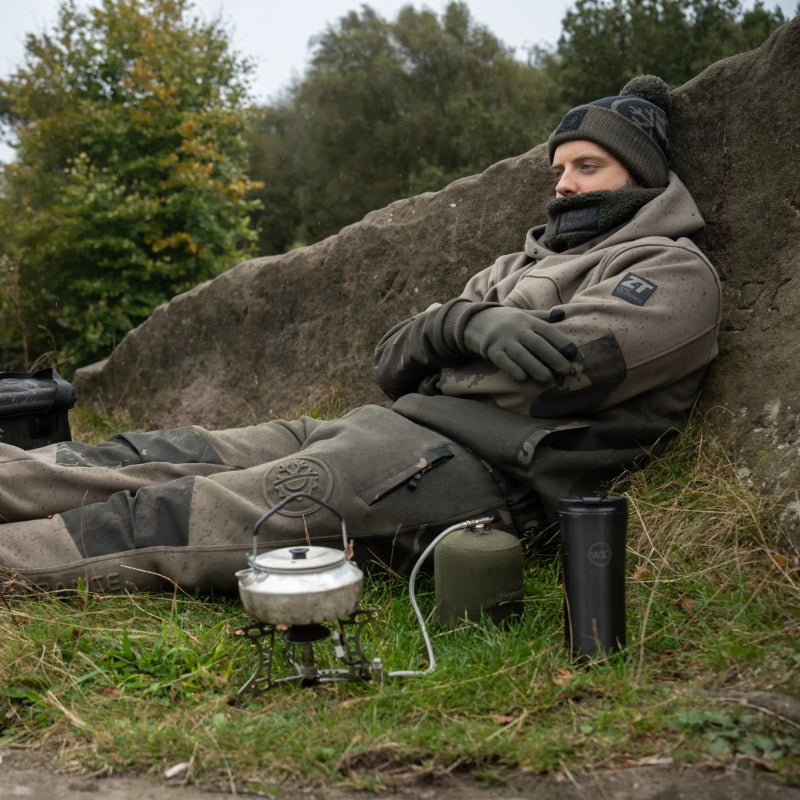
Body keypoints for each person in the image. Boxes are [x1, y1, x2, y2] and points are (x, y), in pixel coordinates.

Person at [0, 76, 721, 594]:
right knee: (156, 456)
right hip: (382, 427)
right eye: (559, 167)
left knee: (173, 514)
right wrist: (459, 323)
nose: (563, 184)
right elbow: (392, 361)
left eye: (587, 166)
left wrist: (442, 357)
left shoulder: (670, 272)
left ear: (644, 177)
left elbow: (557, 381)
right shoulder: (519, 263)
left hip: (472, 475)